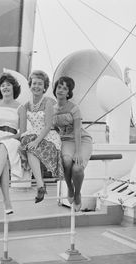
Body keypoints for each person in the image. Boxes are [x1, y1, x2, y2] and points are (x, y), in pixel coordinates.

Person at [19, 70, 64, 203]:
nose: (36, 86)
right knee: (29, 146)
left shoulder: (48, 102)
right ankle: (40, 185)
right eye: (34, 83)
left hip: (48, 135)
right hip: (34, 134)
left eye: (40, 84)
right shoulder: (26, 105)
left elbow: (48, 125)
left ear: (44, 87)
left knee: (32, 147)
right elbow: (22, 130)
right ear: (30, 85)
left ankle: (40, 185)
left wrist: (37, 141)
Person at [0, 72, 26, 215]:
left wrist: (8, 138)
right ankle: (7, 202)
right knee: (2, 159)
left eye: (8, 84)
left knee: (3, 146)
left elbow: (22, 132)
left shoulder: (20, 107)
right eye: (2, 85)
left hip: (12, 138)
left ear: (14, 87)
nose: (5, 87)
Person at [52, 76, 93, 211]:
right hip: (65, 140)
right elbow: (55, 129)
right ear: (55, 89)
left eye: (65, 88)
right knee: (67, 161)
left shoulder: (74, 108)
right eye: (59, 87)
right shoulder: (51, 109)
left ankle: (77, 193)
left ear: (69, 92)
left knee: (77, 168)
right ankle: (70, 188)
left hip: (81, 139)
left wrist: (78, 151)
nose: (61, 90)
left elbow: (77, 131)